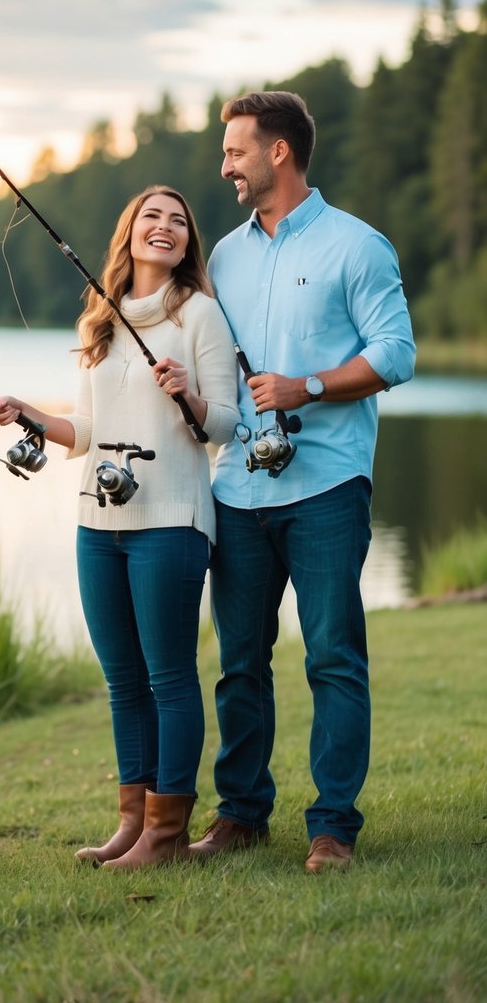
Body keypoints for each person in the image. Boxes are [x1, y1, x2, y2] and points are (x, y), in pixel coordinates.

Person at [189, 91, 416, 874]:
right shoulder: (222, 256)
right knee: (238, 664)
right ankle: (241, 815)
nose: (224, 166)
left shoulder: (358, 247)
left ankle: (332, 828)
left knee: (332, 658)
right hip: (237, 492)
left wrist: (306, 388)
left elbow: (396, 355)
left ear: (276, 152)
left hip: (325, 488)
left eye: (234, 151)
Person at [0, 185, 239, 869]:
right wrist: (29, 415)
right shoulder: (99, 321)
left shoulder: (200, 316)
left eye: (178, 221)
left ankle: (167, 835)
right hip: (96, 522)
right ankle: (133, 822)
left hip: (171, 521)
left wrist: (184, 391)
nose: (164, 228)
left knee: (168, 678)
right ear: (128, 232)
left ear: (187, 242)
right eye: (151, 217)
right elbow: (87, 432)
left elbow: (223, 425)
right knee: (122, 681)